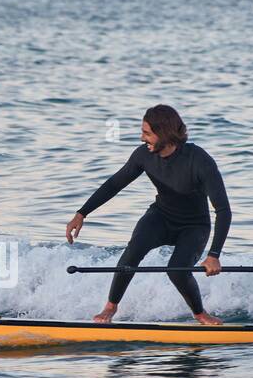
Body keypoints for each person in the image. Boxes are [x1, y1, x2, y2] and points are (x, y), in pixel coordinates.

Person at [65, 105, 229, 325]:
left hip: (194, 225)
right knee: (131, 253)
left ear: (164, 133)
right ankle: (110, 308)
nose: (142, 138)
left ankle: (200, 314)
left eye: (147, 133)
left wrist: (214, 254)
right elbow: (115, 184)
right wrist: (81, 213)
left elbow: (223, 210)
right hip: (160, 217)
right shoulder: (143, 155)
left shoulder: (199, 160)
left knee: (177, 270)